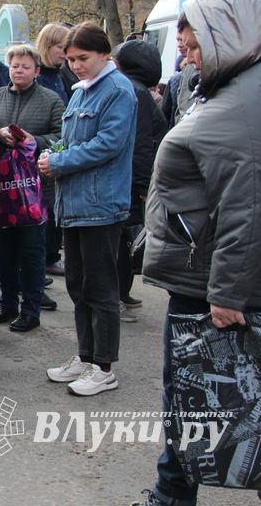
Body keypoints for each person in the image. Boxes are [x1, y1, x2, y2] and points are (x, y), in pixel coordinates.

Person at [137, 0, 261, 506]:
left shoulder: (246, 98)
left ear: (229, 37)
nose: (185, 56)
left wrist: (227, 293)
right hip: (218, 275)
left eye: (194, 44)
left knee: (216, 403)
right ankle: (171, 493)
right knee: (202, 402)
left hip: (218, 287)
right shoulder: (243, 84)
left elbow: (250, 204)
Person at [38, 21, 137, 397]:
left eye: (83, 58)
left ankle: (104, 367)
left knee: (101, 289)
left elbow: (108, 144)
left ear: (104, 54)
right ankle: (85, 355)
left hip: (101, 205)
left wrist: (59, 163)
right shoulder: (81, 91)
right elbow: (70, 138)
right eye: (71, 59)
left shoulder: (117, 90)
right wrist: (52, 154)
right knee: (78, 286)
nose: (76, 65)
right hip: (74, 203)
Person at [0, 45, 63, 334]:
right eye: (15, 65)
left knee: (32, 251)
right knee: (3, 251)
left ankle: (31, 309)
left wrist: (35, 140)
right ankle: (7, 303)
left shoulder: (52, 100)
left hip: (35, 191)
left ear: (37, 71)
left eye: (25, 66)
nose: (19, 70)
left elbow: (62, 137)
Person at [113, 39, 167, 321]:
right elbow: (144, 142)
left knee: (122, 240)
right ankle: (118, 296)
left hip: (130, 179)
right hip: (132, 180)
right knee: (122, 240)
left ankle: (121, 294)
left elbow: (142, 142)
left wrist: (143, 183)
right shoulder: (138, 93)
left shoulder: (132, 91)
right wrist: (144, 184)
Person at [35, 23, 71, 281]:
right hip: (42, 153)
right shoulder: (41, 76)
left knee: (52, 209)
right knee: (43, 209)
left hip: (57, 149)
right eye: (62, 47)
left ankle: (49, 258)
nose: (65, 53)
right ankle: (42, 261)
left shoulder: (62, 75)